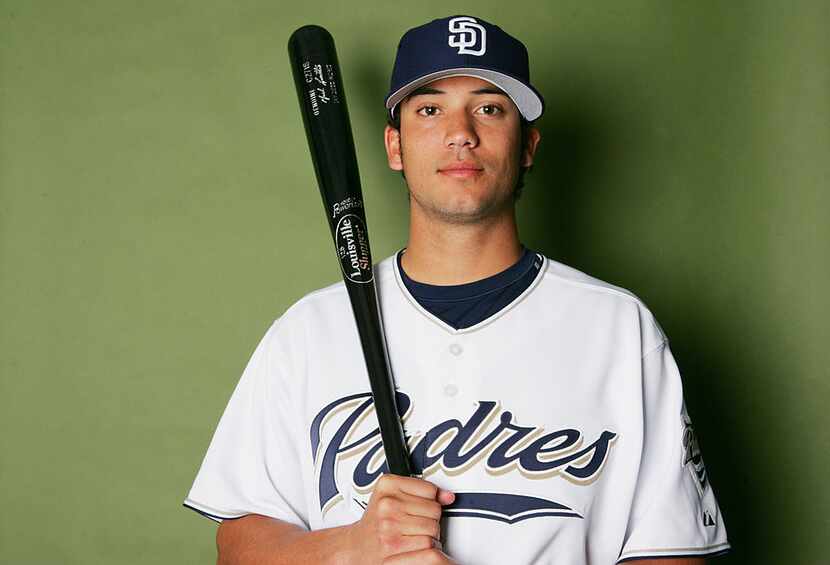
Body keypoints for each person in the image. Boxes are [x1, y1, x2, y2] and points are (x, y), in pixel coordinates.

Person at [185, 15, 730, 565]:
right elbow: (239, 547)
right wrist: (353, 545)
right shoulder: (308, 332)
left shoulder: (618, 327)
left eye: (489, 108)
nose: (460, 132)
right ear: (394, 147)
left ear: (528, 146)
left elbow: (673, 551)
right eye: (429, 109)